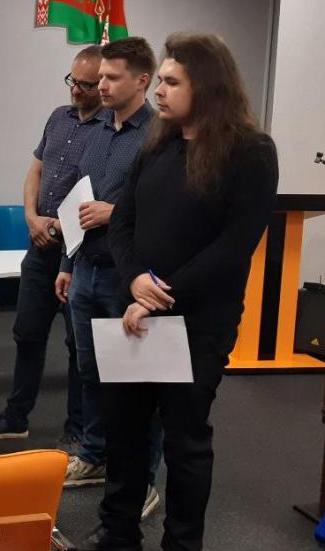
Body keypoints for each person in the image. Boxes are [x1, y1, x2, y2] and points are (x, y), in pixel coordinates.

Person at [81, 32, 279, 551]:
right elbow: (122, 222)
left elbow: (235, 245)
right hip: (135, 312)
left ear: (207, 86)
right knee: (124, 431)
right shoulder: (159, 143)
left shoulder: (251, 152)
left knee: (185, 443)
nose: (159, 91)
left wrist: (155, 296)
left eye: (171, 82)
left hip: (197, 322)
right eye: (161, 80)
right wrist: (134, 281)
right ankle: (118, 532)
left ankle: (182, 543)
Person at [56, 38, 163, 518]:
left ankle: (142, 480)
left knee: (138, 384)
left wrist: (114, 212)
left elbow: (170, 210)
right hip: (86, 271)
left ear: (141, 81)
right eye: (99, 77)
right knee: (91, 373)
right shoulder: (97, 128)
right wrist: (67, 264)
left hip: (130, 280)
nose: (100, 85)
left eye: (111, 77)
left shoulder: (159, 136)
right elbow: (78, 200)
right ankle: (96, 455)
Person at [0, 46, 104, 453]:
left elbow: (98, 196)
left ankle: (76, 428)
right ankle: (16, 417)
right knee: (27, 334)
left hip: (79, 250)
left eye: (86, 85)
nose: (77, 90)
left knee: (77, 343)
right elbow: (36, 170)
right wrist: (31, 217)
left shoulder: (108, 131)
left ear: (103, 84)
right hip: (40, 247)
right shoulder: (58, 117)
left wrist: (56, 226)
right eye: (73, 81)